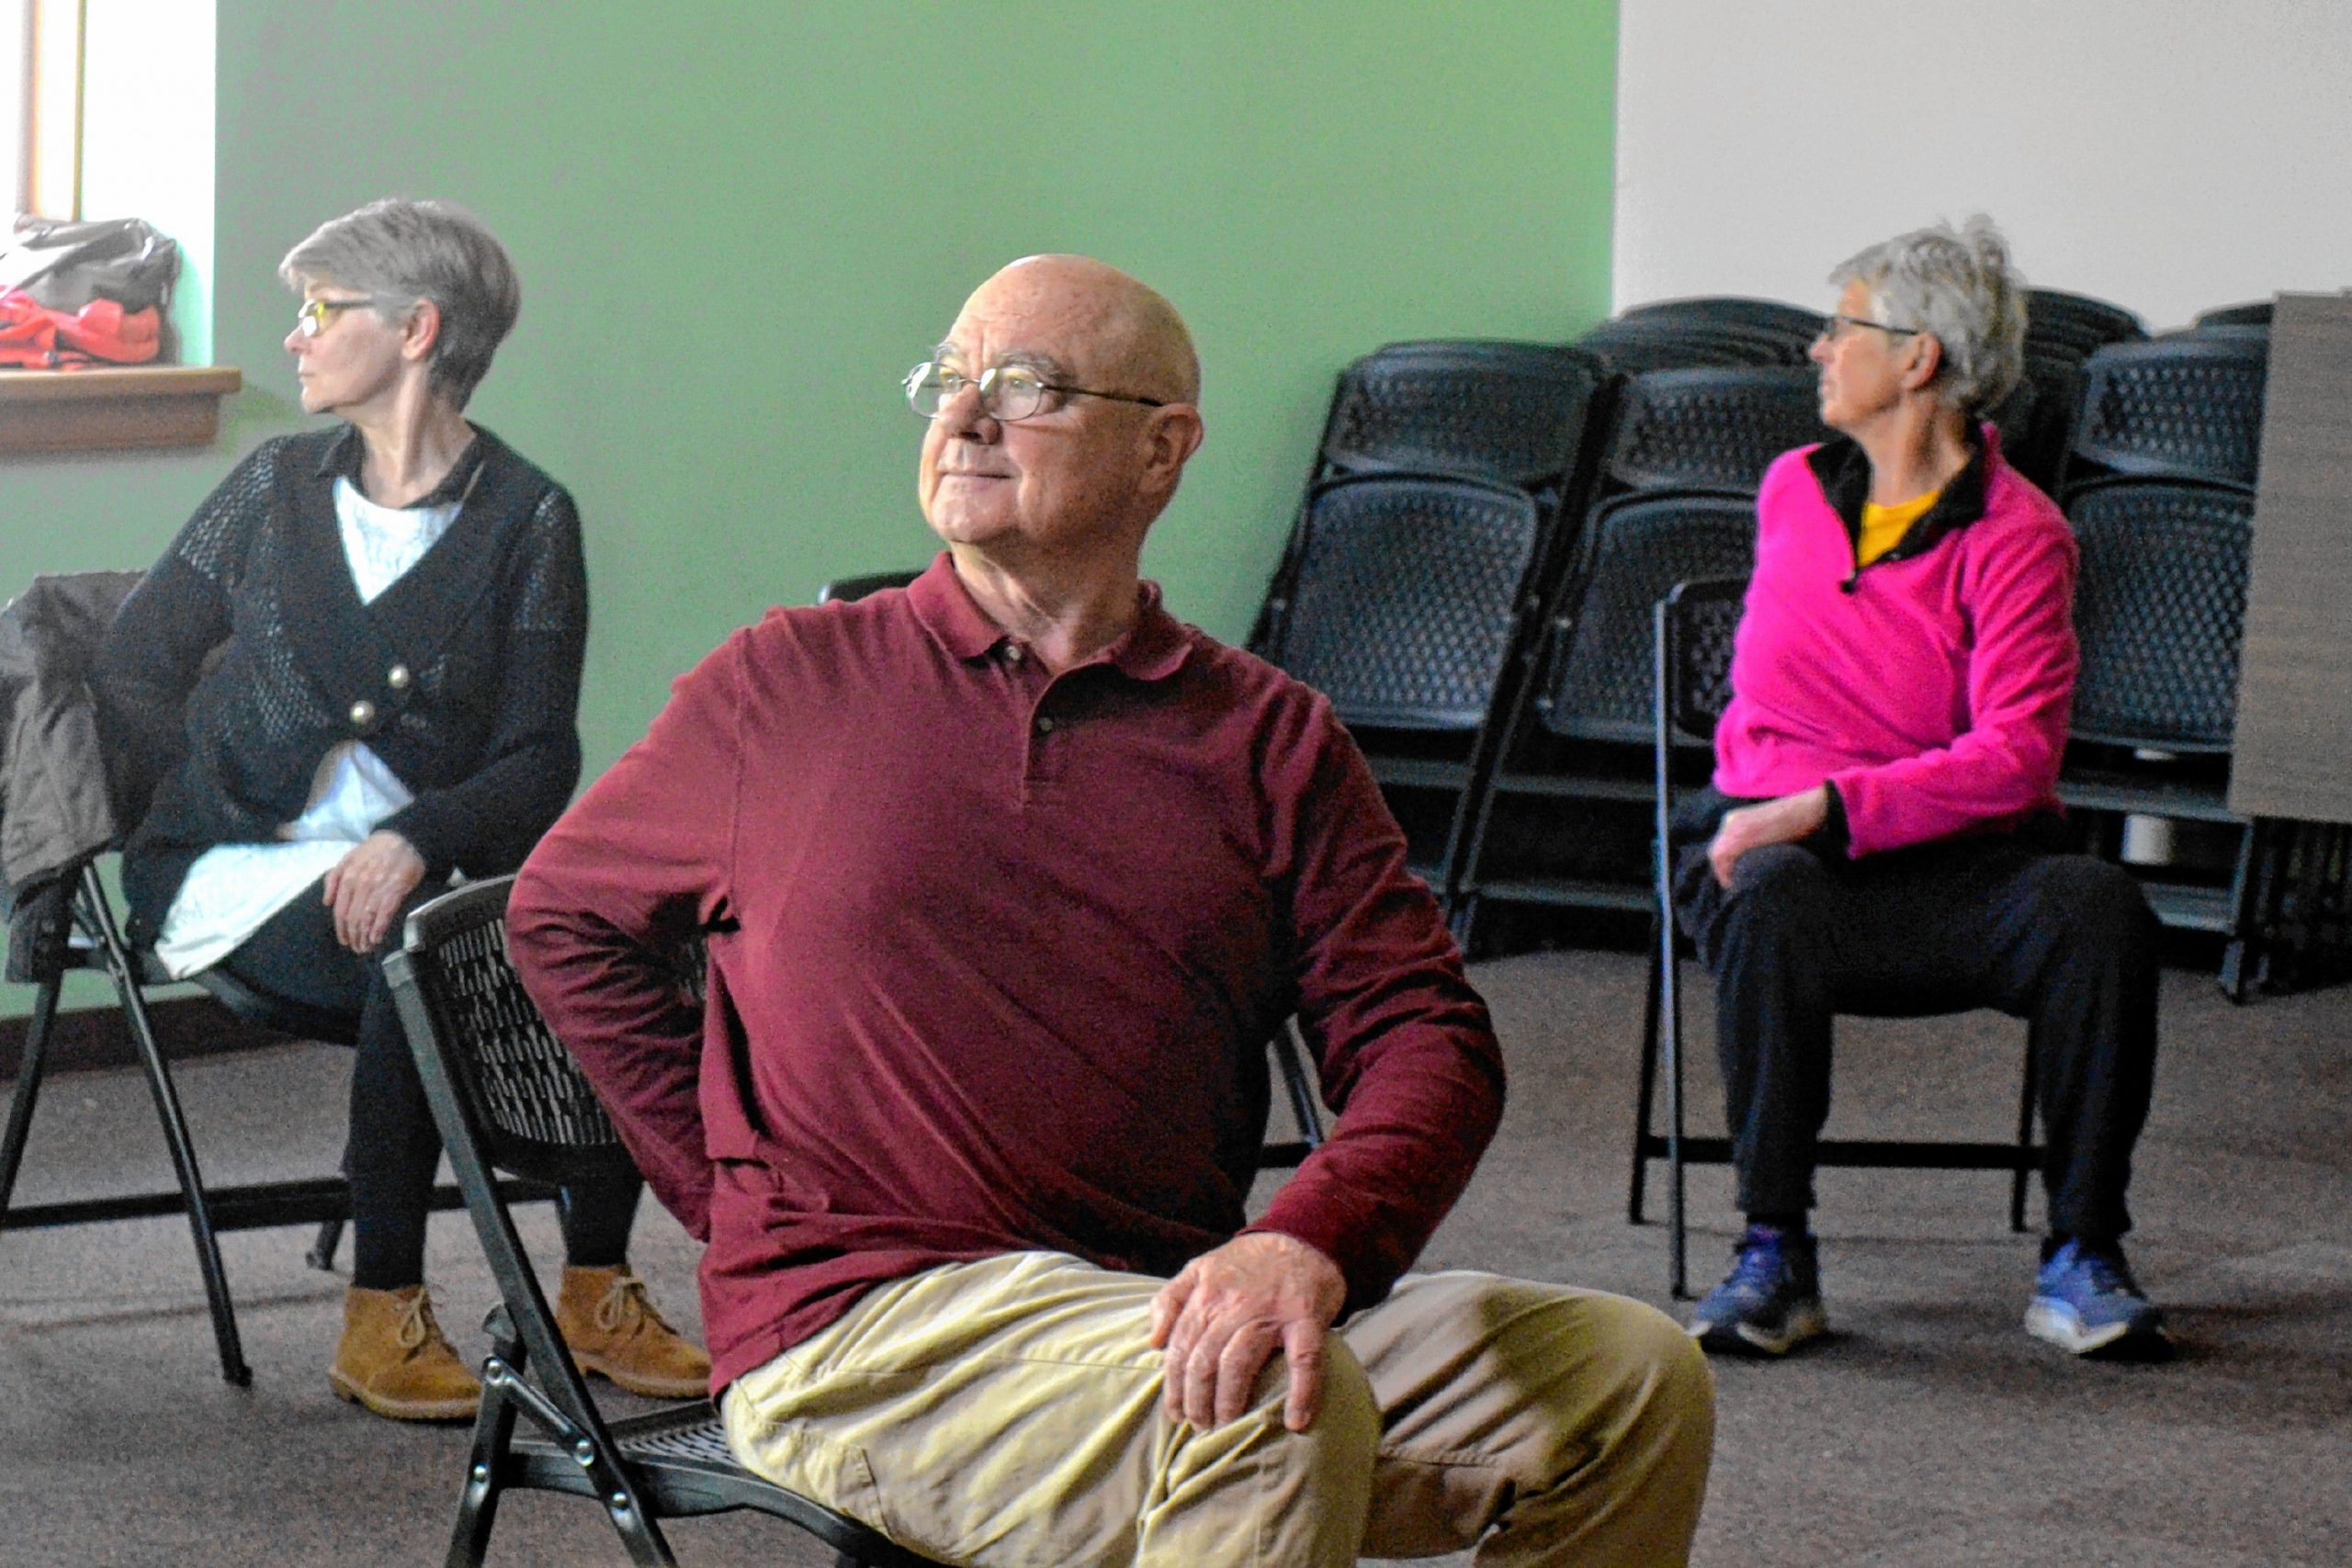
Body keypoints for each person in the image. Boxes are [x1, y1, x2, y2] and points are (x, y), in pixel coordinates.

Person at [508, 254, 1714, 1565]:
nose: (964, 416)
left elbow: (1430, 1037)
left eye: (1024, 386)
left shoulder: (1267, 735)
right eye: (948, 379)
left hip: (1155, 1298)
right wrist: (733, 1191)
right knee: (1251, 1399)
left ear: (1161, 450)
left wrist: (1309, 1237)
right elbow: (564, 915)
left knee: (1630, 1377)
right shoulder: (785, 682)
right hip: (871, 1326)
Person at [96, 198, 707, 1421]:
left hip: (420, 871)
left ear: (417, 328)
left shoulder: (529, 518)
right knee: (423, 963)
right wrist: (201, 801)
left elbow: (541, 756)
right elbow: (130, 663)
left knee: (613, 941)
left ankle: (593, 1283)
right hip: (231, 869)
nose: (296, 338)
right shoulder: (272, 485)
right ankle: (382, 1308)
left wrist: (415, 831)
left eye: (321, 310)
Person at [1674, 218, 2167, 1361]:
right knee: (1773, 885)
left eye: (1841, 326)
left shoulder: (2019, 535)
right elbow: (1767, 719)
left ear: (1916, 358)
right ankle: (1773, 1253)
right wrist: (1800, 809)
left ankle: (2083, 1254)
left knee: (2096, 910)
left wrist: (1840, 801)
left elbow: (2015, 757)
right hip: (1780, 861)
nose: (1816, 350)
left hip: (1950, 867)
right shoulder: (1790, 488)